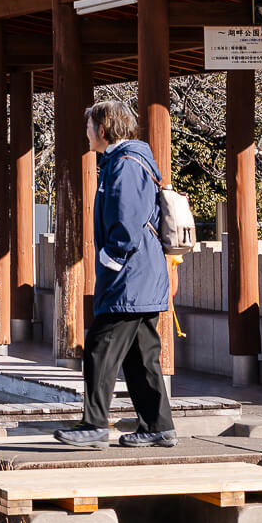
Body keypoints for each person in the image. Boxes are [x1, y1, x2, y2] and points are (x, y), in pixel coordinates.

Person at [55, 100, 177, 450]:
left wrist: (111, 259)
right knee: (141, 356)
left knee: (99, 347)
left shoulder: (124, 165)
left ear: (103, 129)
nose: (87, 133)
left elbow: (127, 221)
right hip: (141, 275)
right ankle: (157, 426)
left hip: (130, 277)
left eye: (89, 127)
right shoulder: (129, 160)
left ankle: (93, 426)